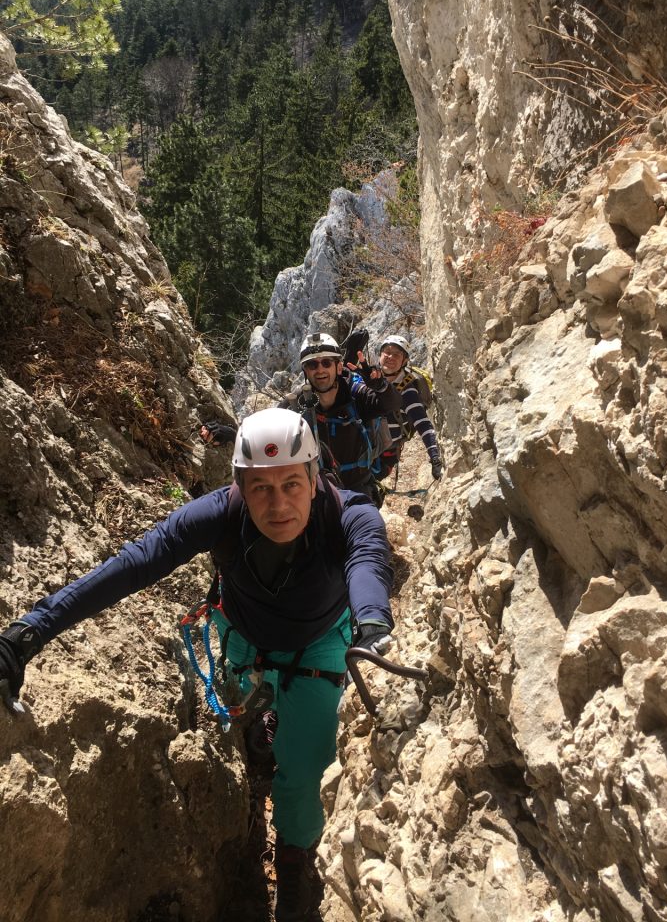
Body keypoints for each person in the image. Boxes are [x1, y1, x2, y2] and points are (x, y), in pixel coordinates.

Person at [0, 408, 394, 922]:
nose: (278, 505)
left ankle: (294, 868)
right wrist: (30, 631)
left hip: (319, 646)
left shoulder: (348, 514)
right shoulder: (219, 514)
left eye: (292, 485)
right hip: (243, 641)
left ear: (315, 480)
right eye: (261, 489)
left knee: (303, 775)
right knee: (252, 712)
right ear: (237, 487)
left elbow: (368, 559)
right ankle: (262, 731)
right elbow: (137, 561)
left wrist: (371, 622)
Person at [279, 332, 402, 507]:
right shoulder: (297, 403)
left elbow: (392, 404)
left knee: (367, 531)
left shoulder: (356, 394)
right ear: (305, 371)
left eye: (327, 362)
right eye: (312, 364)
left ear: (338, 367)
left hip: (357, 489)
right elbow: (270, 428)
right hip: (316, 491)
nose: (320, 369)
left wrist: (380, 386)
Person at [377, 334, 443, 480]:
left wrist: (434, 457)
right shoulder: (369, 378)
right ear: (380, 355)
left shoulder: (407, 390)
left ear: (404, 361)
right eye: (387, 352)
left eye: (397, 354)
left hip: (385, 454)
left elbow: (422, 423)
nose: (390, 357)